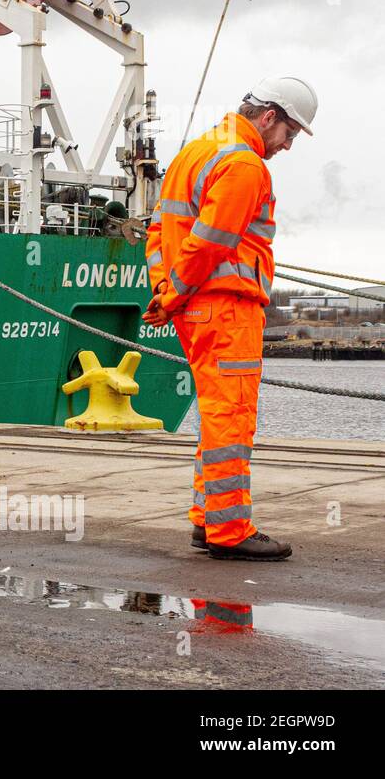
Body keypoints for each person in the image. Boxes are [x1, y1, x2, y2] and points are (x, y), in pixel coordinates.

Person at [142, 76, 318, 562]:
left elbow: (158, 232)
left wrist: (165, 292)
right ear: (268, 118)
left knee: (216, 416)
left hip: (197, 311)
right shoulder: (243, 164)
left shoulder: (195, 153)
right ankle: (230, 528)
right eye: (290, 135)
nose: (287, 146)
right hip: (227, 309)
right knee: (232, 417)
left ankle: (208, 519)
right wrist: (175, 293)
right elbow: (212, 242)